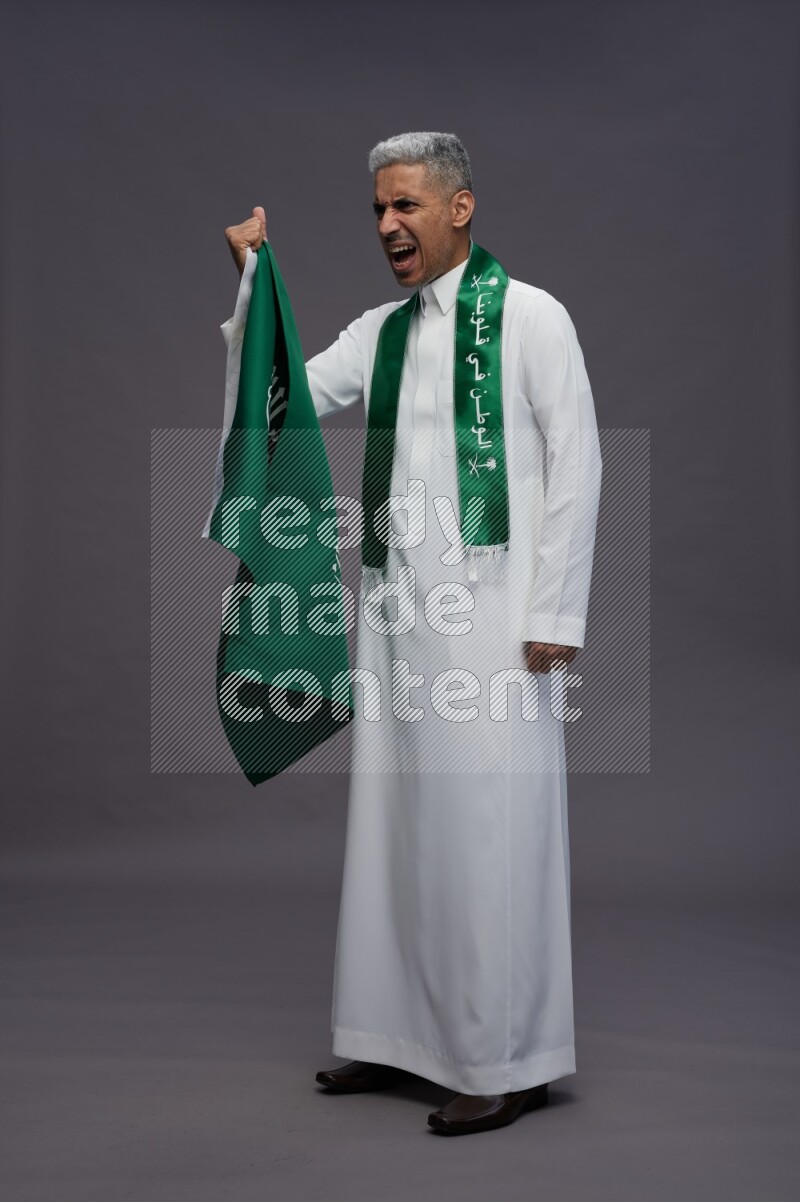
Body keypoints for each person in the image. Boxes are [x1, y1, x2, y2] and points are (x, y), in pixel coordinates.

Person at [220, 131, 602, 1136]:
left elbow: (577, 460)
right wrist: (254, 286)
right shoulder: (380, 331)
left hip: (497, 621)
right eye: (378, 210)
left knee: (487, 834)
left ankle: (504, 1058)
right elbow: (287, 397)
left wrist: (555, 613)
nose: (387, 225)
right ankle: (395, 1039)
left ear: (459, 207)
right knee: (396, 828)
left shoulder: (530, 316)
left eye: (406, 205)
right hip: (399, 616)